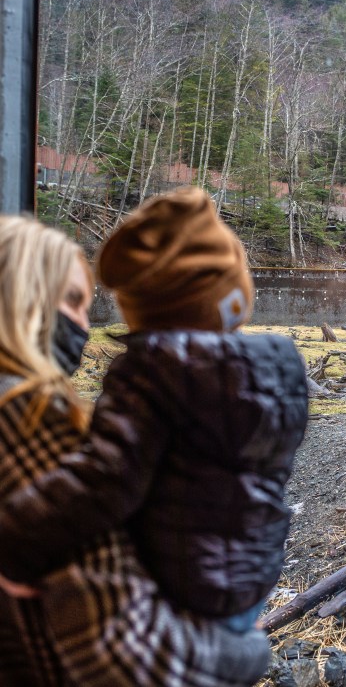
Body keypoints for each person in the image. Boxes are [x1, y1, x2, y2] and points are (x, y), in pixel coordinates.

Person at [0, 213, 270, 687]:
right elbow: (126, 656)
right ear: (23, 298)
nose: (84, 326)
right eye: (72, 302)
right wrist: (246, 654)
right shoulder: (32, 415)